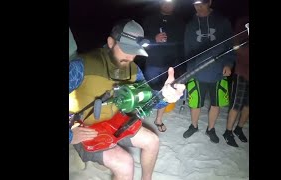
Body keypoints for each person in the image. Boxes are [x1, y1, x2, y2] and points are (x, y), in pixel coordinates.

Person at [69, 19, 185, 180]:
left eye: (135, 51)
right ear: (110, 42)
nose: (131, 57)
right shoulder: (80, 66)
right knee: (125, 163)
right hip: (85, 128)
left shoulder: (133, 69)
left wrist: (166, 96)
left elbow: (147, 99)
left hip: (115, 121)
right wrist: (70, 134)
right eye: (126, 49)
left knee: (152, 141)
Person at [182, 0, 236, 144]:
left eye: (202, 3)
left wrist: (229, 63)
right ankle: (193, 126)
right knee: (195, 102)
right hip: (197, 71)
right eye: (195, 4)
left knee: (216, 103)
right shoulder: (191, 24)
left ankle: (210, 129)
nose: (199, 7)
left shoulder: (222, 21)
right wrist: (189, 70)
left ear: (209, 2)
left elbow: (230, 45)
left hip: (218, 71)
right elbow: (187, 49)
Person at [142, 0, 185, 132]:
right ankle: (141, 117)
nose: (168, 4)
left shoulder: (180, 22)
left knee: (165, 92)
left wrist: (180, 66)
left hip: (170, 65)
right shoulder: (149, 19)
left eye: (171, 2)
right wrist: (153, 39)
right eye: (165, 2)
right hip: (152, 63)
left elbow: (181, 44)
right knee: (148, 91)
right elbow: (140, 40)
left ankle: (158, 119)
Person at [223, 16, 249, 147]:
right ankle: (228, 132)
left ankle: (239, 129)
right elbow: (235, 46)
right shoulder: (243, 21)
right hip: (242, 70)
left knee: (248, 105)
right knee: (236, 104)